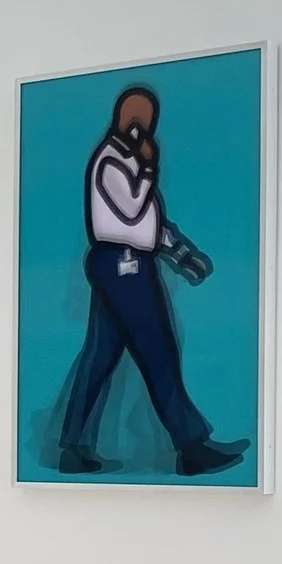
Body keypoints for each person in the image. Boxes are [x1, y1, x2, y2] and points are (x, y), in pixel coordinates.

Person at [56, 86, 247, 476]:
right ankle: (191, 447)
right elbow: (130, 211)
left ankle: (72, 448)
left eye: (147, 119)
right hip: (122, 266)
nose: (144, 126)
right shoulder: (110, 160)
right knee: (158, 351)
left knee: (100, 357)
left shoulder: (129, 161)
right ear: (125, 119)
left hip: (126, 263)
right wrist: (147, 169)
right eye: (138, 118)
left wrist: (182, 257)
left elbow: (150, 226)